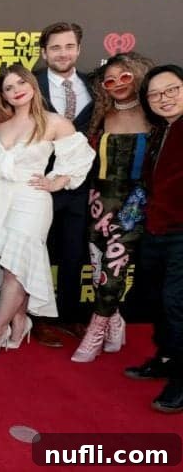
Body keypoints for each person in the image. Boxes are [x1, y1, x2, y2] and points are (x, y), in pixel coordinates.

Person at [0, 64, 94, 356]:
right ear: (2, 95)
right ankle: (19, 322)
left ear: (32, 85)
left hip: (32, 200)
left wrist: (57, 182)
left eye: (20, 84)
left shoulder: (54, 122)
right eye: (8, 88)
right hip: (2, 198)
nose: (16, 91)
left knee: (16, 268)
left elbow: (81, 157)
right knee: (12, 264)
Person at [72, 52, 154, 363]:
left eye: (125, 77)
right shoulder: (100, 115)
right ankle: (115, 322)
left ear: (137, 76)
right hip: (98, 200)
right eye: (111, 80)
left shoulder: (153, 116)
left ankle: (96, 329)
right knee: (98, 271)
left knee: (113, 269)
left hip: (135, 202)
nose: (118, 84)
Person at [34, 22, 95, 347]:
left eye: (68, 47)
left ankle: (69, 315)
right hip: (42, 183)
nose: (62, 53)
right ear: (44, 52)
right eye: (55, 48)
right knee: (39, 252)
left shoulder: (94, 86)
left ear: (78, 50)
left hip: (81, 185)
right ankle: (37, 318)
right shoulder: (32, 85)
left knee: (74, 252)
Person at [132, 64, 183, 413]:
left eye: (172, 90)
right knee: (158, 300)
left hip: (181, 232)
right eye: (155, 94)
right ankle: (165, 357)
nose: (164, 99)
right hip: (157, 229)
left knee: (177, 303)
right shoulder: (161, 131)